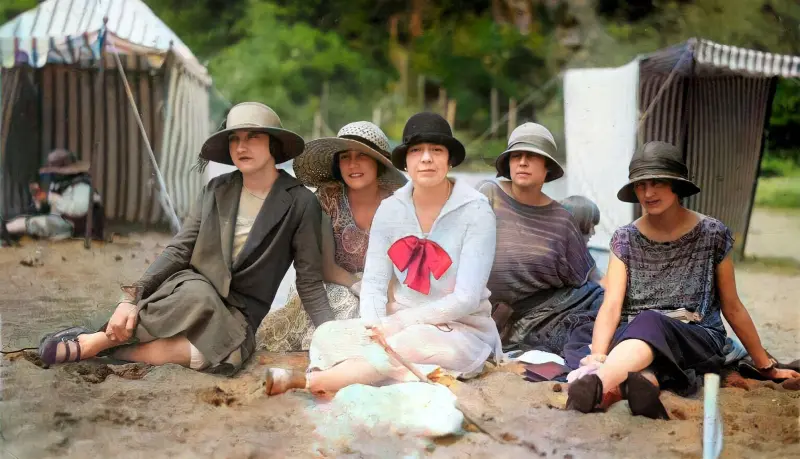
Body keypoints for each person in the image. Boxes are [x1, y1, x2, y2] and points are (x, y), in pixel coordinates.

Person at [37, 102, 334, 375]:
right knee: (199, 296)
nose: (241, 147)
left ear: (273, 143)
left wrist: (332, 336)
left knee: (224, 356)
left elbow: (308, 281)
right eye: (234, 139)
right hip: (191, 292)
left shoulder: (301, 203)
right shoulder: (216, 189)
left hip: (238, 315)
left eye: (253, 137)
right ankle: (99, 341)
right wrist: (130, 298)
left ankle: (114, 350)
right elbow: (179, 250)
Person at [263, 112, 502, 395]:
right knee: (327, 335)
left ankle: (314, 382)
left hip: (460, 329)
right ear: (406, 161)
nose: (426, 158)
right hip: (396, 323)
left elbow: (466, 299)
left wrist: (397, 324)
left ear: (449, 160)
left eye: (436, 150)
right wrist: (375, 326)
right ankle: (386, 372)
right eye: (417, 151)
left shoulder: (476, 210)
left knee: (414, 341)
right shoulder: (391, 209)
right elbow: (375, 283)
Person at [565, 141, 800, 419]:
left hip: (696, 335)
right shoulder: (624, 238)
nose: (648, 193)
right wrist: (598, 354)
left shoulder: (713, 234)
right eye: (641, 185)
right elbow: (612, 305)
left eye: (657, 182)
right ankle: (644, 386)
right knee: (598, 333)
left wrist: (765, 365)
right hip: (635, 333)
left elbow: (733, 306)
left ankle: (597, 384)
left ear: (676, 185)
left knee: (650, 322)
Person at [258, 121, 406, 351]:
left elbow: (402, 267)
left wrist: (383, 296)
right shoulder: (327, 198)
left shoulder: (399, 204)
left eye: (362, 155)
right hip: (333, 284)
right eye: (345, 157)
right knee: (346, 308)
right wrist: (359, 287)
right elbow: (325, 267)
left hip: (386, 287)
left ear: (379, 162)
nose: (353, 164)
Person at [479, 123, 603, 354]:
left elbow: (589, 277)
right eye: (516, 156)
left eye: (532, 156)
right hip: (493, 316)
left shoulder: (562, 219)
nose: (522, 162)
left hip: (554, 311)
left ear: (547, 166)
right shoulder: (488, 195)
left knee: (605, 310)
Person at [1, 149, 103, 246]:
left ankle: (4, 230)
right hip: (62, 223)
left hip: (77, 229)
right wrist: (39, 200)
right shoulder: (59, 184)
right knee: (28, 219)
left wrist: (54, 199)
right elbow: (49, 210)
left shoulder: (82, 186)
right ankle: (6, 231)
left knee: (38, 223)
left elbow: (79, 210)